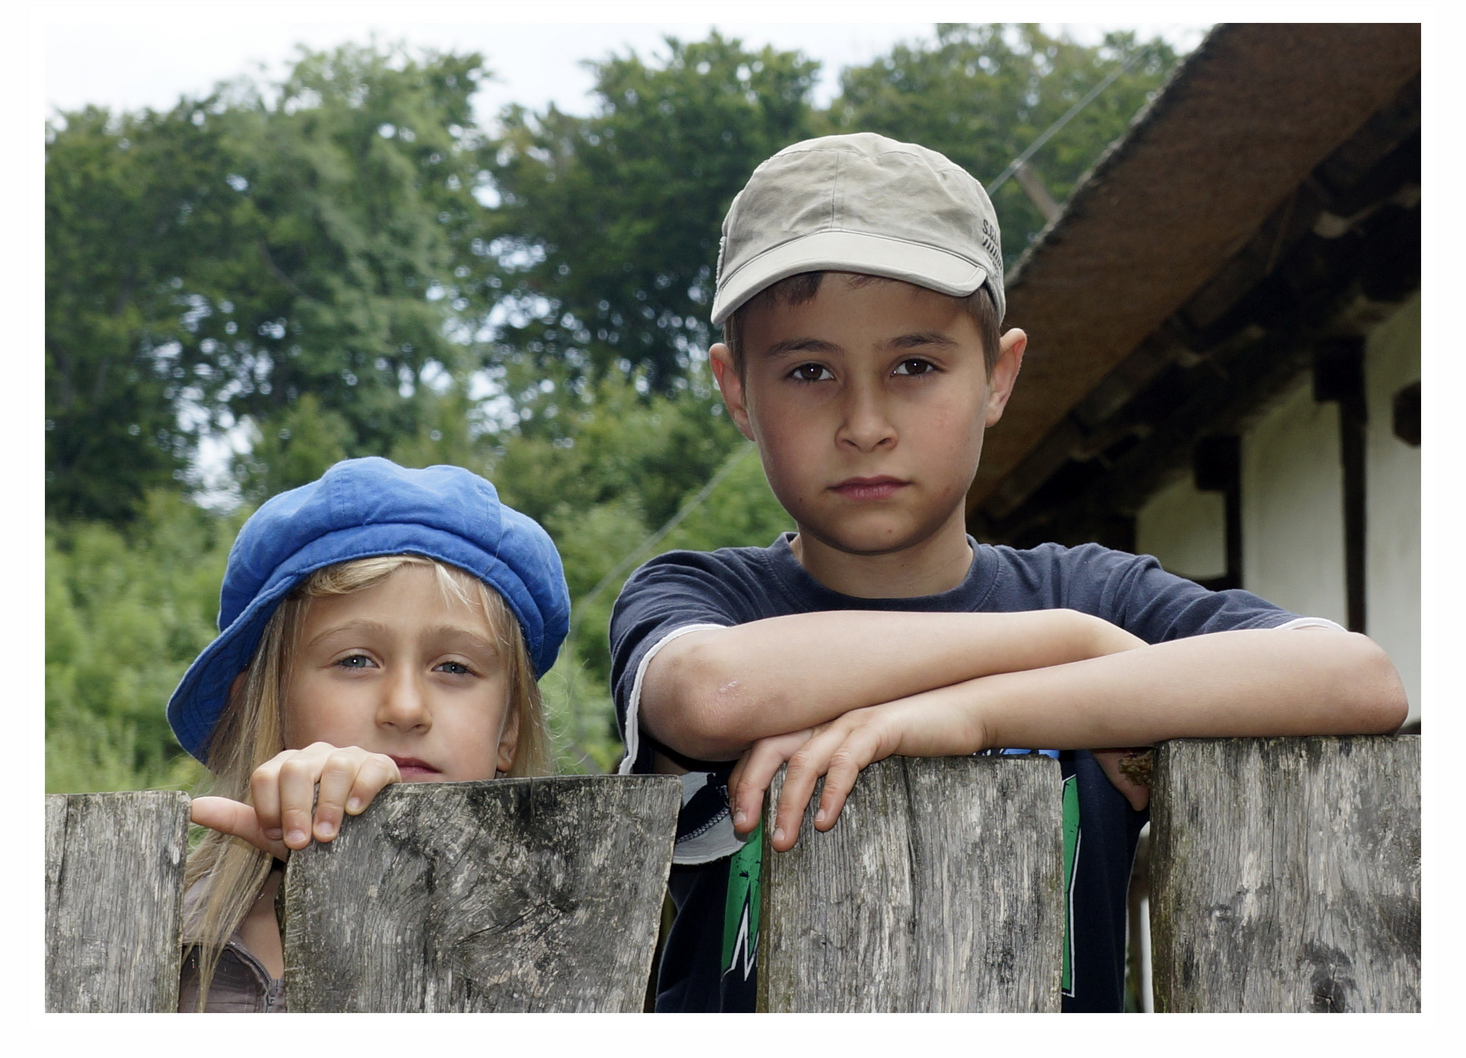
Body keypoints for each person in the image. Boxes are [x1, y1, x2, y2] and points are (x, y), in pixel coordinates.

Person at [607, 132, 1407, 1013]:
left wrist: (974, 712)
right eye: (808, 370)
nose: (865, 421)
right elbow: (713, 697)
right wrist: (1063, 645)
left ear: (998, 375)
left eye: (915, 365)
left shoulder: (1099, 589)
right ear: (735, 392)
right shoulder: (706, 598)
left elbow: (1357, 680)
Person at [168, 457, 569, 1012]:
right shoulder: (150, 936)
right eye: (356, 660)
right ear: (260, 707)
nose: (405, 708)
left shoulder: (561, 931)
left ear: (508, 733)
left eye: (454, 667)